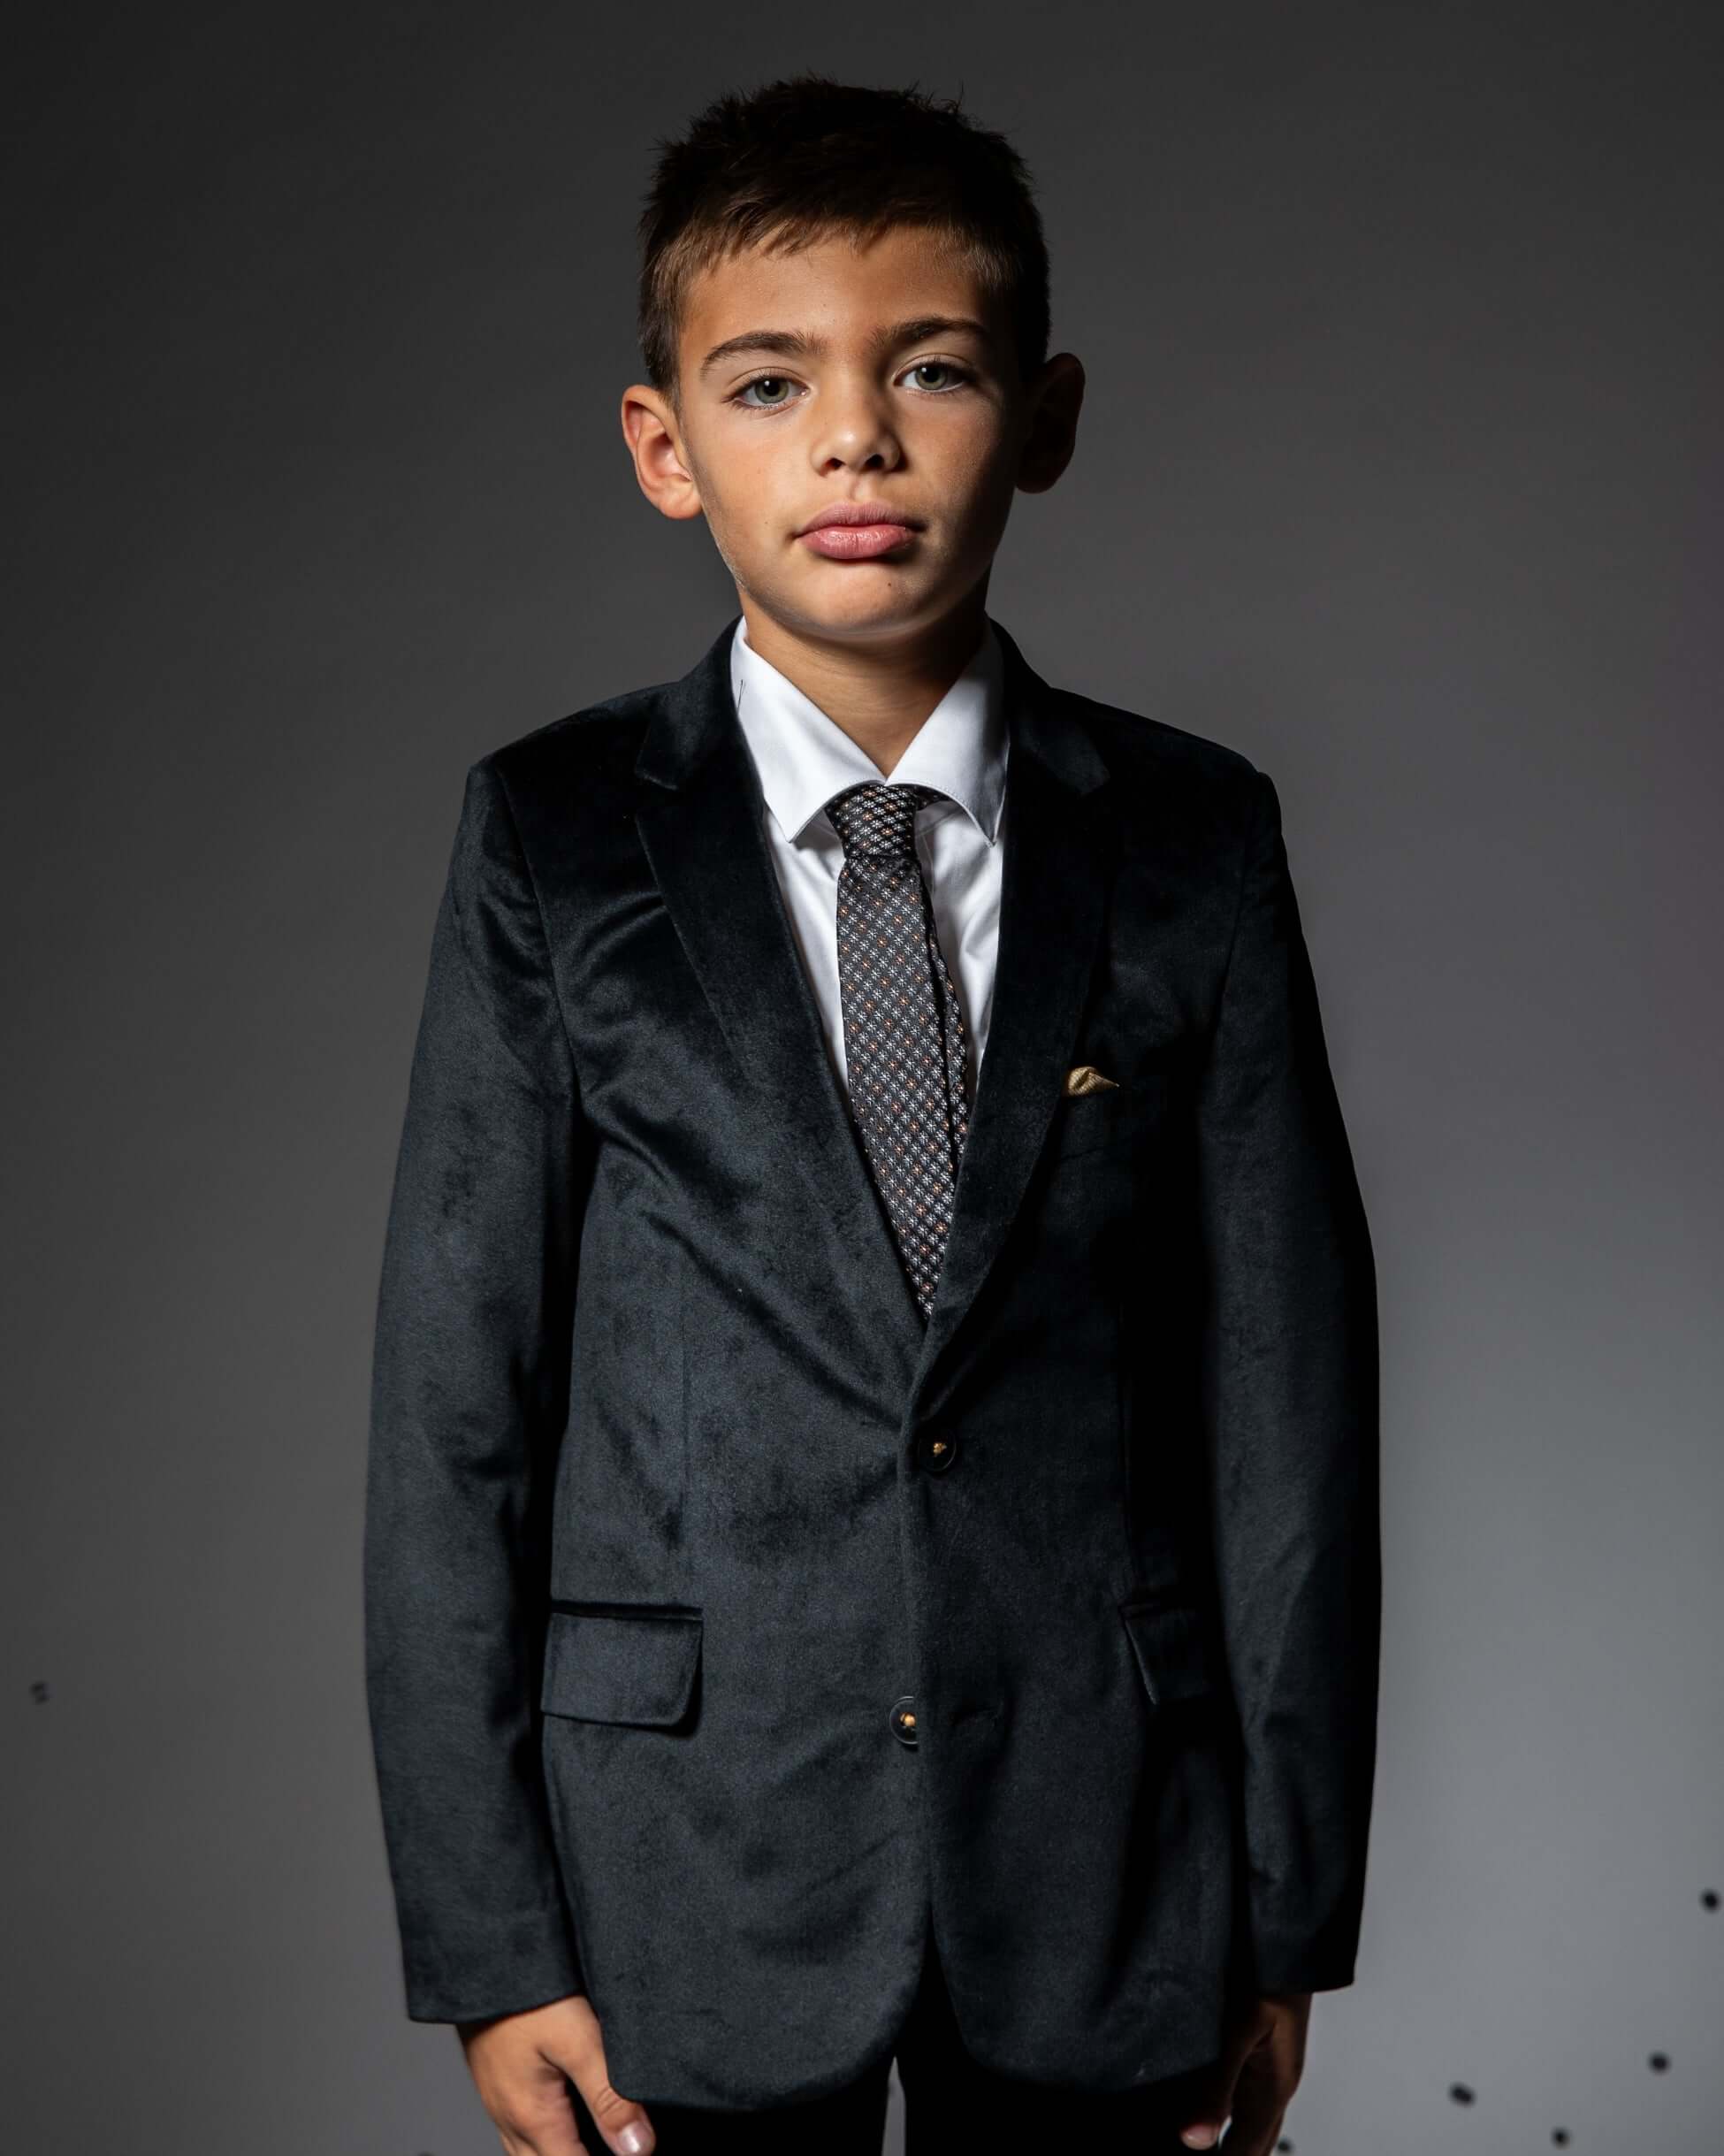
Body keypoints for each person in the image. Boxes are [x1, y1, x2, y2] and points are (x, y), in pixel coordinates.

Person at [363, 71, 1380, 2156]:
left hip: (1113, 1874)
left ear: (1050, 414)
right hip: (684, 1869)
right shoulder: (554, 838)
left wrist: (1284, 1916)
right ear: (664, 446)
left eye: (930, 368)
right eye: (765, 382)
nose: (853, 438)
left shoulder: (1192, 838)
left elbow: (1291, 1395)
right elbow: (457, 1406)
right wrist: (492, 1935)